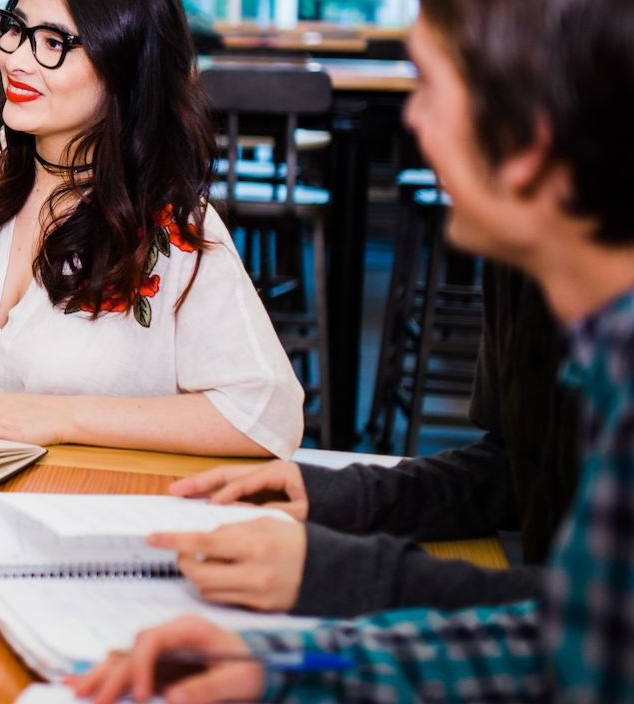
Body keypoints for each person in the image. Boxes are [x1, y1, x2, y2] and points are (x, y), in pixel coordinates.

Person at [72, 0, 634, 703]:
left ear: (532, 141)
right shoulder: (586, 306)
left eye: (429, 84)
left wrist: (335, 582)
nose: (410, 119)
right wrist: (293, 658)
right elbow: (582, 624)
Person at [0, 0, 305, 458]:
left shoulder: (168, 222)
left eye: (53, 43)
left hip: (83, 512)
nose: (15, 60)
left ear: (126, 65)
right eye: (13, 29)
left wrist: (64, 416)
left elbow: (265, 415)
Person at [150, 263, 578, 617]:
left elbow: (617, 626)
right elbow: (514, 468)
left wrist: (338, 572)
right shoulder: (523, 273)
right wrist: (345, 495)